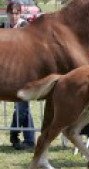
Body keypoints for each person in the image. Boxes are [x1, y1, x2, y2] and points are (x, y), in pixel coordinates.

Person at [3, 2, 35, 150]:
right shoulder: (4, 27)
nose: (13, 16)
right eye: (11, 13)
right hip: (8, 73)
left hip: (24, 72)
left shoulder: (25, 27)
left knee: (23, 106)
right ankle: (19, 137)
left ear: (20, 13)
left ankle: (26, 138)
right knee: (20, 106)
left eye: (16, 13)